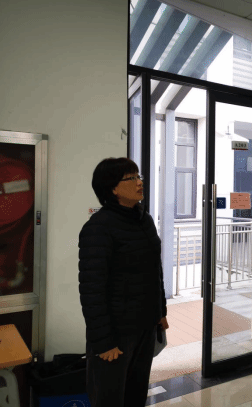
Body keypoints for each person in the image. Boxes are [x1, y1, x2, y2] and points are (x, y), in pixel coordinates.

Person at [79, 158, 169, 407]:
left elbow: (155, 270)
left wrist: (160, 312)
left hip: (145, 326)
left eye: (139, 176)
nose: (140, 182)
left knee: (136, 395)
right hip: (116, 334)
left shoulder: (144, 219)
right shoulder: (98, 228)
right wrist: (103, 342)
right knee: (109, 399)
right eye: (131, 178)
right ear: (113, 189)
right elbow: (91, 289)